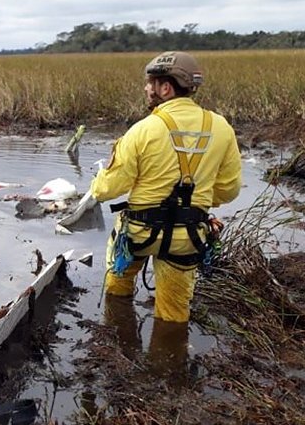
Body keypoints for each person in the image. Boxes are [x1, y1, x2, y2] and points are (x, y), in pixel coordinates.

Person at [88, 51, 242, 323]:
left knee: (117, 286)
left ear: (165, 87)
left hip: (138, 234)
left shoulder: (142, 130)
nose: (147, 88)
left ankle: (116, 333)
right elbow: (229, 190)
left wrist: (100, 180)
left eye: (150, 83)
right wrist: (198, 198)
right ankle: (169, 358)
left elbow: (106, 190)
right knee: (174, 314)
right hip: (188, 237)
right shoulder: (222, 128)